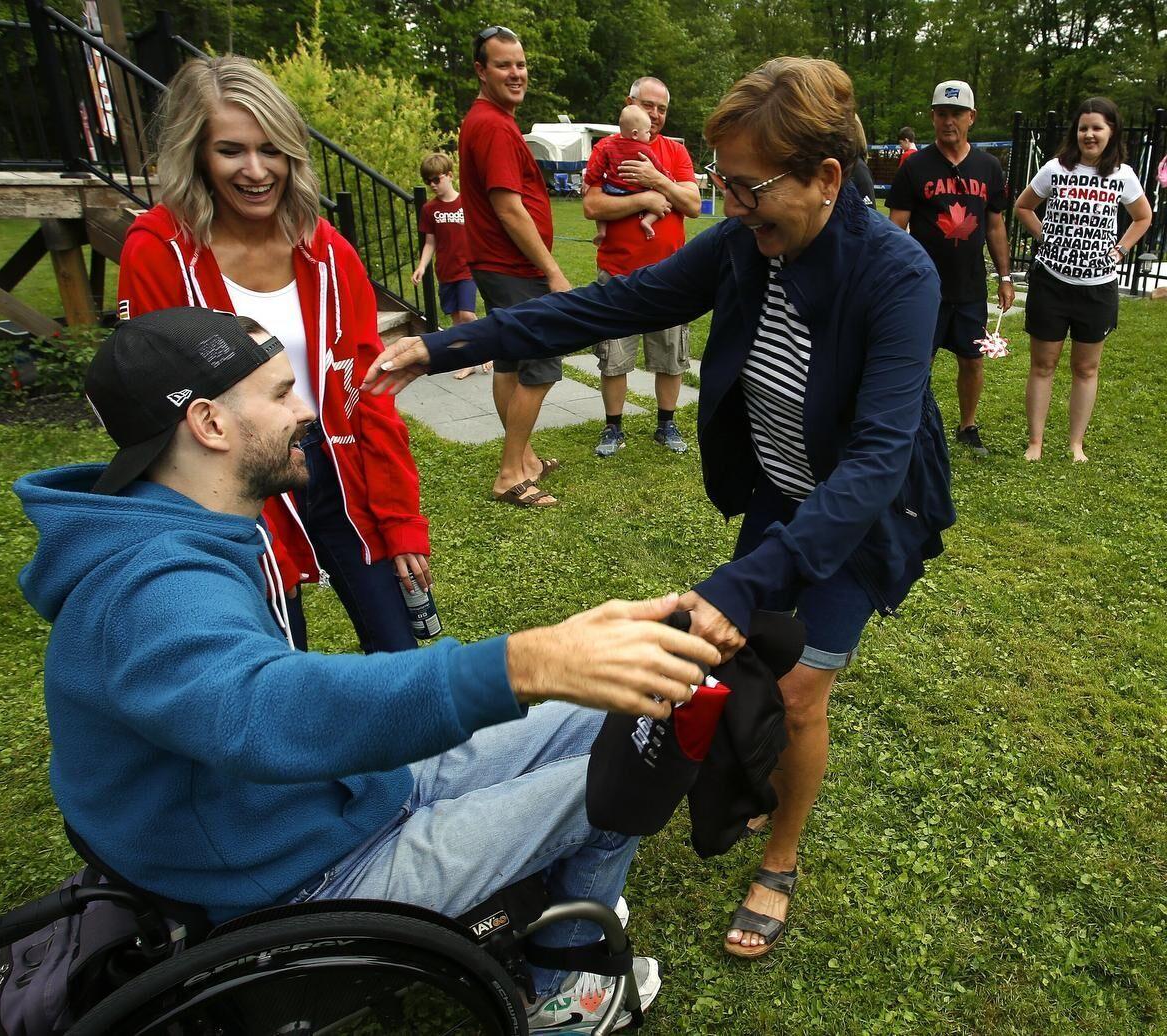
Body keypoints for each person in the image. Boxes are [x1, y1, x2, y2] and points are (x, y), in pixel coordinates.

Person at [367, 57, 955, 960]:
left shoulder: (898, 276)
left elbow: (877, 462)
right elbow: (612, 304)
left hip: (862, 517)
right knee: (747, 661)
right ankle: (752, 779)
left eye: (748, 187)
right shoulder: (740, 246)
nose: (728, 205)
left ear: (827, 177)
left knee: (800, 692)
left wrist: (745, 578)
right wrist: (449, 346)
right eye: (722, 182)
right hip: (780, 498)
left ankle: (781, 860)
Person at [18, 307, 721, 1032]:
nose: (304, 411)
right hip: (298, 878)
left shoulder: (168, 526)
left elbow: (258, 700)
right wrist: (525, 662)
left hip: (329, 799)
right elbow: (263, 709)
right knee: (627, 771)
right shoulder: (152, 587)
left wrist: (558, 667)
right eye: (283, 392)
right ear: (210, 424)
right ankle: (564, 991)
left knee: (613, 708)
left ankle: (549, 885)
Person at [117, 56, 427, 655]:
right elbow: (153, 417)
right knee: (275, 663)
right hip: (228, 481)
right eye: (231, 150)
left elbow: (368, 390)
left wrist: (400, 518)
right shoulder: (158, 252)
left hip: (333, 460)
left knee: (402, 649)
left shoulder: (328, 250)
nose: (257, 170)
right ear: (197, 154)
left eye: (273, 149)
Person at [458, 25, 569, 508]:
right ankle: (510, 474)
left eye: (520, 64)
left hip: (498, 265)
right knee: (541, 365)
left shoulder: (489, 120)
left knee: (510, 360)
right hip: (513, 267)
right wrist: (552, 271)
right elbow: (509, 207)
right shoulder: (495, 126)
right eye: (503, 64)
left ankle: (524, 458)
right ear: (481, 71)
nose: (516, 73)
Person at [1013, 97, 1152, 462]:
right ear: (1076, 132)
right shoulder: (1056, 168)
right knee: (1043, 364)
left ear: (1112, 132)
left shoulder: (1122, 175)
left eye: (1097, 128)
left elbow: (1143, 217)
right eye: (1083, 127)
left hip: (1097, 287)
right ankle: (1035, 443)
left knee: (1086, 368)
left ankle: (1076, 445)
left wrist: (1119, 251)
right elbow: (1023, 206)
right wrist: (1046, 238)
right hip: (1052, 284)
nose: (1089, 134)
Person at [888, 79, 1015, 456]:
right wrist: (892, 275)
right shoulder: (916, 167)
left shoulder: (988, 168)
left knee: (972, 359)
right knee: (917, 360)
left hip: (970, 285)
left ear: (971, 118)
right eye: (942, 113)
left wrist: (1005, 277)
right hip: (923, 284)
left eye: (957, 114)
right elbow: (896, 225)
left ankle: (967, 425)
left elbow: (995, 225)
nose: (949, 122)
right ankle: (908, 425)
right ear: (932, 117)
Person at [581, 75, 700, 459]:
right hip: (618, 274)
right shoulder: (609, 148)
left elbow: (693, 205)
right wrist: (645, 197)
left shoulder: (675, 153)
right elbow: (593, 206)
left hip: (669, 275)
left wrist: (656, 179)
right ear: (630, 104)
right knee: (614, 357)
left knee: (671, 355)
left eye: (662, 108)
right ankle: (613, 427)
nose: (655, 114)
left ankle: (666, 424)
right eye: (649, 105)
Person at [411, 151, 491, 380]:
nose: (433, 185)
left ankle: (487, 348)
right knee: (456, 320)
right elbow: (430, 242)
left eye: (437, 179)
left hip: (467, 269)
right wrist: (421, 266)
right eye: (428, 181)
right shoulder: (429, 209)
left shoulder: (467, 203)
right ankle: (468, 361)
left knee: (467, 314)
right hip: (445, 272)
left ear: (449, 175)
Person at [590, 104, 666, 244]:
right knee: (663, 199)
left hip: (612, 190)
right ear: (635, 134)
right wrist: (669, 179)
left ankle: (601, 231)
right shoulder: (645, 149)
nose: (649, 135)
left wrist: (588, 181)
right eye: (647, 132)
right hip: (636, 189)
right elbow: (658, 168)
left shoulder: (608, 147)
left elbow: (597, 168)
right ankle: (647, 222)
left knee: (601, 213)